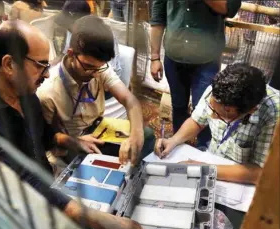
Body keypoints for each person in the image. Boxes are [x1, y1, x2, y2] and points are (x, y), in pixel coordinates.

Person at [0, 20, 155, 229]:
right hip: (14, 218)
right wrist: (102, 222)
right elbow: (21, 180)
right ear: (9, 64)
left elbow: (45, 136)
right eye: (41, 65)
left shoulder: (25, 96)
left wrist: (74, 141)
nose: (47, 72)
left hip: (47, 194)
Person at [38, 15, 155, 167]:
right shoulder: (48, 91)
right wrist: (74, 141)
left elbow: (130, 101)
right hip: (72, 141)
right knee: (94, 165)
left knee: (146, 136)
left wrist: (135, 136)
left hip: (99, 128)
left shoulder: (99, 69)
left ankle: (134, 177)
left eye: (99, 67)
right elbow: (45, 136)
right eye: (88, 67)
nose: (94, 73)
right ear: (71, 54)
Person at [154, 64, 280, 184]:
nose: (212, 116)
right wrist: (173, 140)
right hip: (212, 159)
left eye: (221, 114)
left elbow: (262, 173)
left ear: (251, 110)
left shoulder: (274, 114)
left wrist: (207, 170)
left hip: (242, 179)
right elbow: (197, 121)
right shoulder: (217, 92)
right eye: (212, 109)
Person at [150, 0, 241, 150]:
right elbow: (158, 17)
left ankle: (203, 149)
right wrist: (154, 57)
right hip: (175, 56)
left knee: (206, 108)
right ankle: (177, 146)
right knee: (178, 106)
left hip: (207, 58)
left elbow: (230, 8)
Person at [55, 0, 122, 79]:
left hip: (104, 80)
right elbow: (65, 55)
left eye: (70, 23)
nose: (67, 27)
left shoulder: (103, 36)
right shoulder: (71, 30)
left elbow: (109, 71)